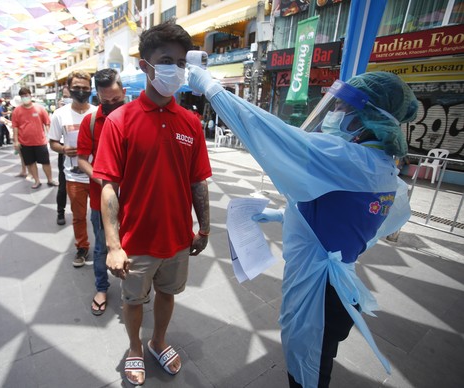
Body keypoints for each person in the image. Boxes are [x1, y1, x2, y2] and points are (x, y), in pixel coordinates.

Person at [187, 67, 417, 387]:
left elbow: (271, 133)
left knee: (307, 373)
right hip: (334, 287)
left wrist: (213, 89)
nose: (334, 113)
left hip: (319, 293)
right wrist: (284, 215)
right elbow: (346, 220)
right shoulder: (379, 166)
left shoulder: (349, 159)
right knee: (317, 362)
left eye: (342, 107)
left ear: (369, 117)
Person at [93, 21, 211, 386]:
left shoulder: (190, 122)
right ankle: (134, 348)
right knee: (132, 301)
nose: (174, 70)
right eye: (165, 60)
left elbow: (197, 181)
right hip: (136, 241)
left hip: (177, 238)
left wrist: (203, 227)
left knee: (167, 294)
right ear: (144, 65)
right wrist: (113, 246)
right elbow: (108, 187)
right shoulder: (120, 121)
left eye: (180, 62)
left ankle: (158, 341)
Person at [76, 68, 126, 316]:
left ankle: (133, 289)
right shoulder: (91, 121)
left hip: (133, 198)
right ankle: (102, 287)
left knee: (134, 245)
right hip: (101, 199)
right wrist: (104, 181)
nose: (111, 105)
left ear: (124, 92)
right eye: (105, 101)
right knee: (102, 247)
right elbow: (82, 159)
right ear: (97, 96)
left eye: (116, 100)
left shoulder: (136, 117)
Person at [48, 72, 96, 266]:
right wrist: (63, 149)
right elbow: (52, 143)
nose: (81, 91)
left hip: (97, 175)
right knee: (78, 216)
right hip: (74, 176)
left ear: (91, 88)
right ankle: (82, 247)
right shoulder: (60, 114)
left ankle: (107, 245)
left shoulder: (97, 112)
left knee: (104, 215)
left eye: (85, 87)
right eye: (77, 87)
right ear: (69, 88)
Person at [12, 87, 58, 189]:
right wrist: (16, 141)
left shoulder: (40, 108)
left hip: (40, 141)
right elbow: (15, 126)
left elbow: (47, 123)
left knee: (46, 162)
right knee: (30, 163)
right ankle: (37, 181)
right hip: (25, 142)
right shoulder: (17, 111)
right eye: (22, 96)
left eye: (26, 95)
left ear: (30, 95)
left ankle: (50, 179)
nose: (25, 98)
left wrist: (51, 137)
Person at [54, 85, 71, 225]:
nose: (68, 99)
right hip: (65, 154)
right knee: (63, 185)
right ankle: (61, 212)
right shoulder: (59, 114)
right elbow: (53, 141)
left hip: (86, 155)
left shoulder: (89, 111)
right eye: (65, 97)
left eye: (69, 96)